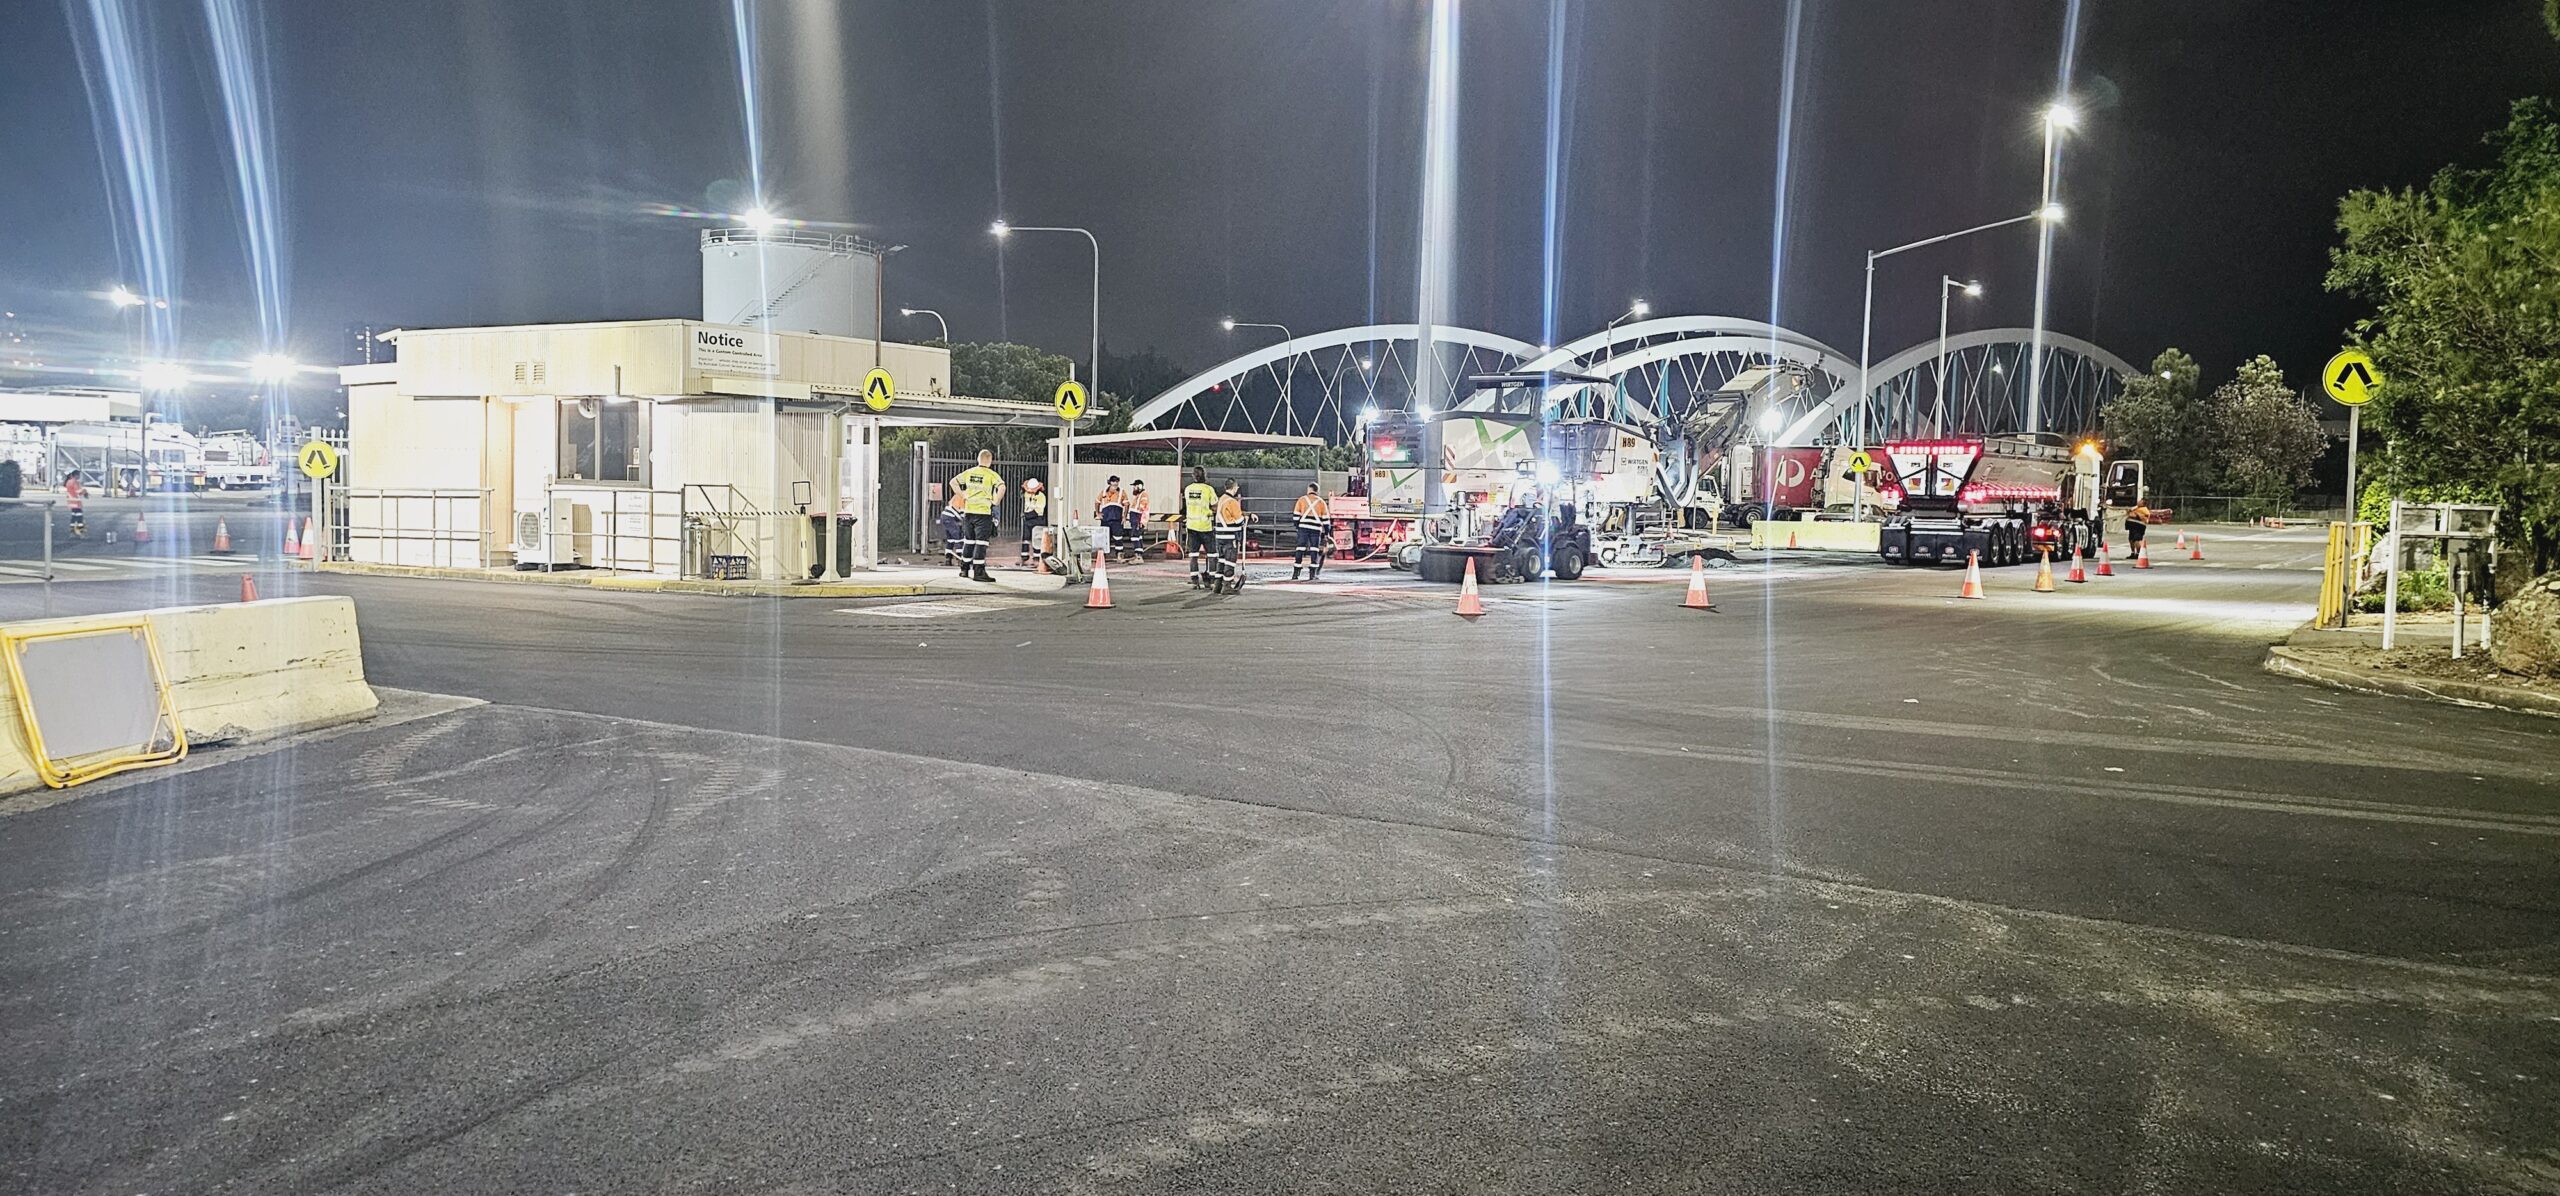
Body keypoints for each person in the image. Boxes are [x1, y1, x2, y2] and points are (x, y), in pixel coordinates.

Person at [950, 449, 1005, 582]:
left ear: (978, 459)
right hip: (983, 513)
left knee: (969, 541)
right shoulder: (991, 474)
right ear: (990, 460)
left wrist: (962, 495)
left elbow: (953, 482)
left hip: (969, 512)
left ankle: (964, 569)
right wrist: (996, 501)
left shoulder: (970, 472)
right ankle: (979, 572)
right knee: (981, 543)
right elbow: (1002, 487)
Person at [1182, 468, 1218, 589]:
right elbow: (1215, 506)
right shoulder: (1208, 489)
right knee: (1212, 555)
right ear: (1204, 476)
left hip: (1191, 526)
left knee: (1193, 555)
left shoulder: (1188, 489)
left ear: (1193, 476)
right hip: (1206, 526)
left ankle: (1194, 581)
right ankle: (1212, 581)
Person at [1213, 478, 1248, 593]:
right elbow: (1239, 521)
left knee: (1221, 560)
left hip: (1219, 536)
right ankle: (1227, 586)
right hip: (1230, 536)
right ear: (1234, 488)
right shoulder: (1233, 502)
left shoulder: (1221, 499)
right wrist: (1245, 519)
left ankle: (1217, 585)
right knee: (1230, 561)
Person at [1290, 483, 1330, 581]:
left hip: (1303, 527)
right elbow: (1326, 520)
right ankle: (1312, 574)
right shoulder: (1321, 502)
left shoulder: (1302, 500)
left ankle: (1296, 573)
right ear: (1317, 491)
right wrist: (1327, 533)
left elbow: (1296, 516)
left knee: (1300, 549)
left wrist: (1297, 526)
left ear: (1309, 489)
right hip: (1316, 529)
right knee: (1314, 550)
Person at [1095, 475, 1127, 563]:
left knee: (1118, 538)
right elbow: (1097, 502)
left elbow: (1127, 504)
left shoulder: (1121, 492)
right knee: (1104, 538)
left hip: (1117, 519)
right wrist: (1098, 513)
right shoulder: (1104, 492)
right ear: (1110, 483)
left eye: (1116, 483)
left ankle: (1119, 556)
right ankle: (1102, 557)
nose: (1115, 485)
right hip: (1106, 519)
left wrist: (1124, 516)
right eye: (1113, 483)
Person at [1017, 477, 1048, 566]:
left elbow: (1039, 510)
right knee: (1025, 539)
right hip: (1027, 519)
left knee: (1036, 539)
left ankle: (1037, 559)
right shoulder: (1026, 494)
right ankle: (1024, 558)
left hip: (1037, 519)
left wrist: (1027, 515)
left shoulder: (1041, 496)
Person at [1124, 481, 1152, 564]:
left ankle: (1138, 557)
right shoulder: (1138, 496)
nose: (1133, 488)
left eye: (1135, 486)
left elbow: (1141, 508)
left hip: (1138, 518)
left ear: (1139, 486)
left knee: (1135, 536)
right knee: (1137, 536)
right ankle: (1138, 555)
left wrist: (1139, 520)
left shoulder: (1143, 495)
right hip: (1136, 518)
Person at [937, 489, 966, 569]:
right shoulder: (965, 496)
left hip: (945, 516)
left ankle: (948, 559)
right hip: (950, 517)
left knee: (950, 539)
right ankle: (960, 559)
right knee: (958, 538)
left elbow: (952, 505)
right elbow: (962, 512)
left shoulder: (958, 494)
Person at [63, 473, 86, 539]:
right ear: (75, 475)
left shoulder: (68, 482)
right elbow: (78, 491)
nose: (78, 476)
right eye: (78, 475)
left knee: (73, 518)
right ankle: (81, 532)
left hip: (71, 502)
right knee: (79, 518)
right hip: (76, 503)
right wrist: (84, 491)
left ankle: (72, 532)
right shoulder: (75, 482)